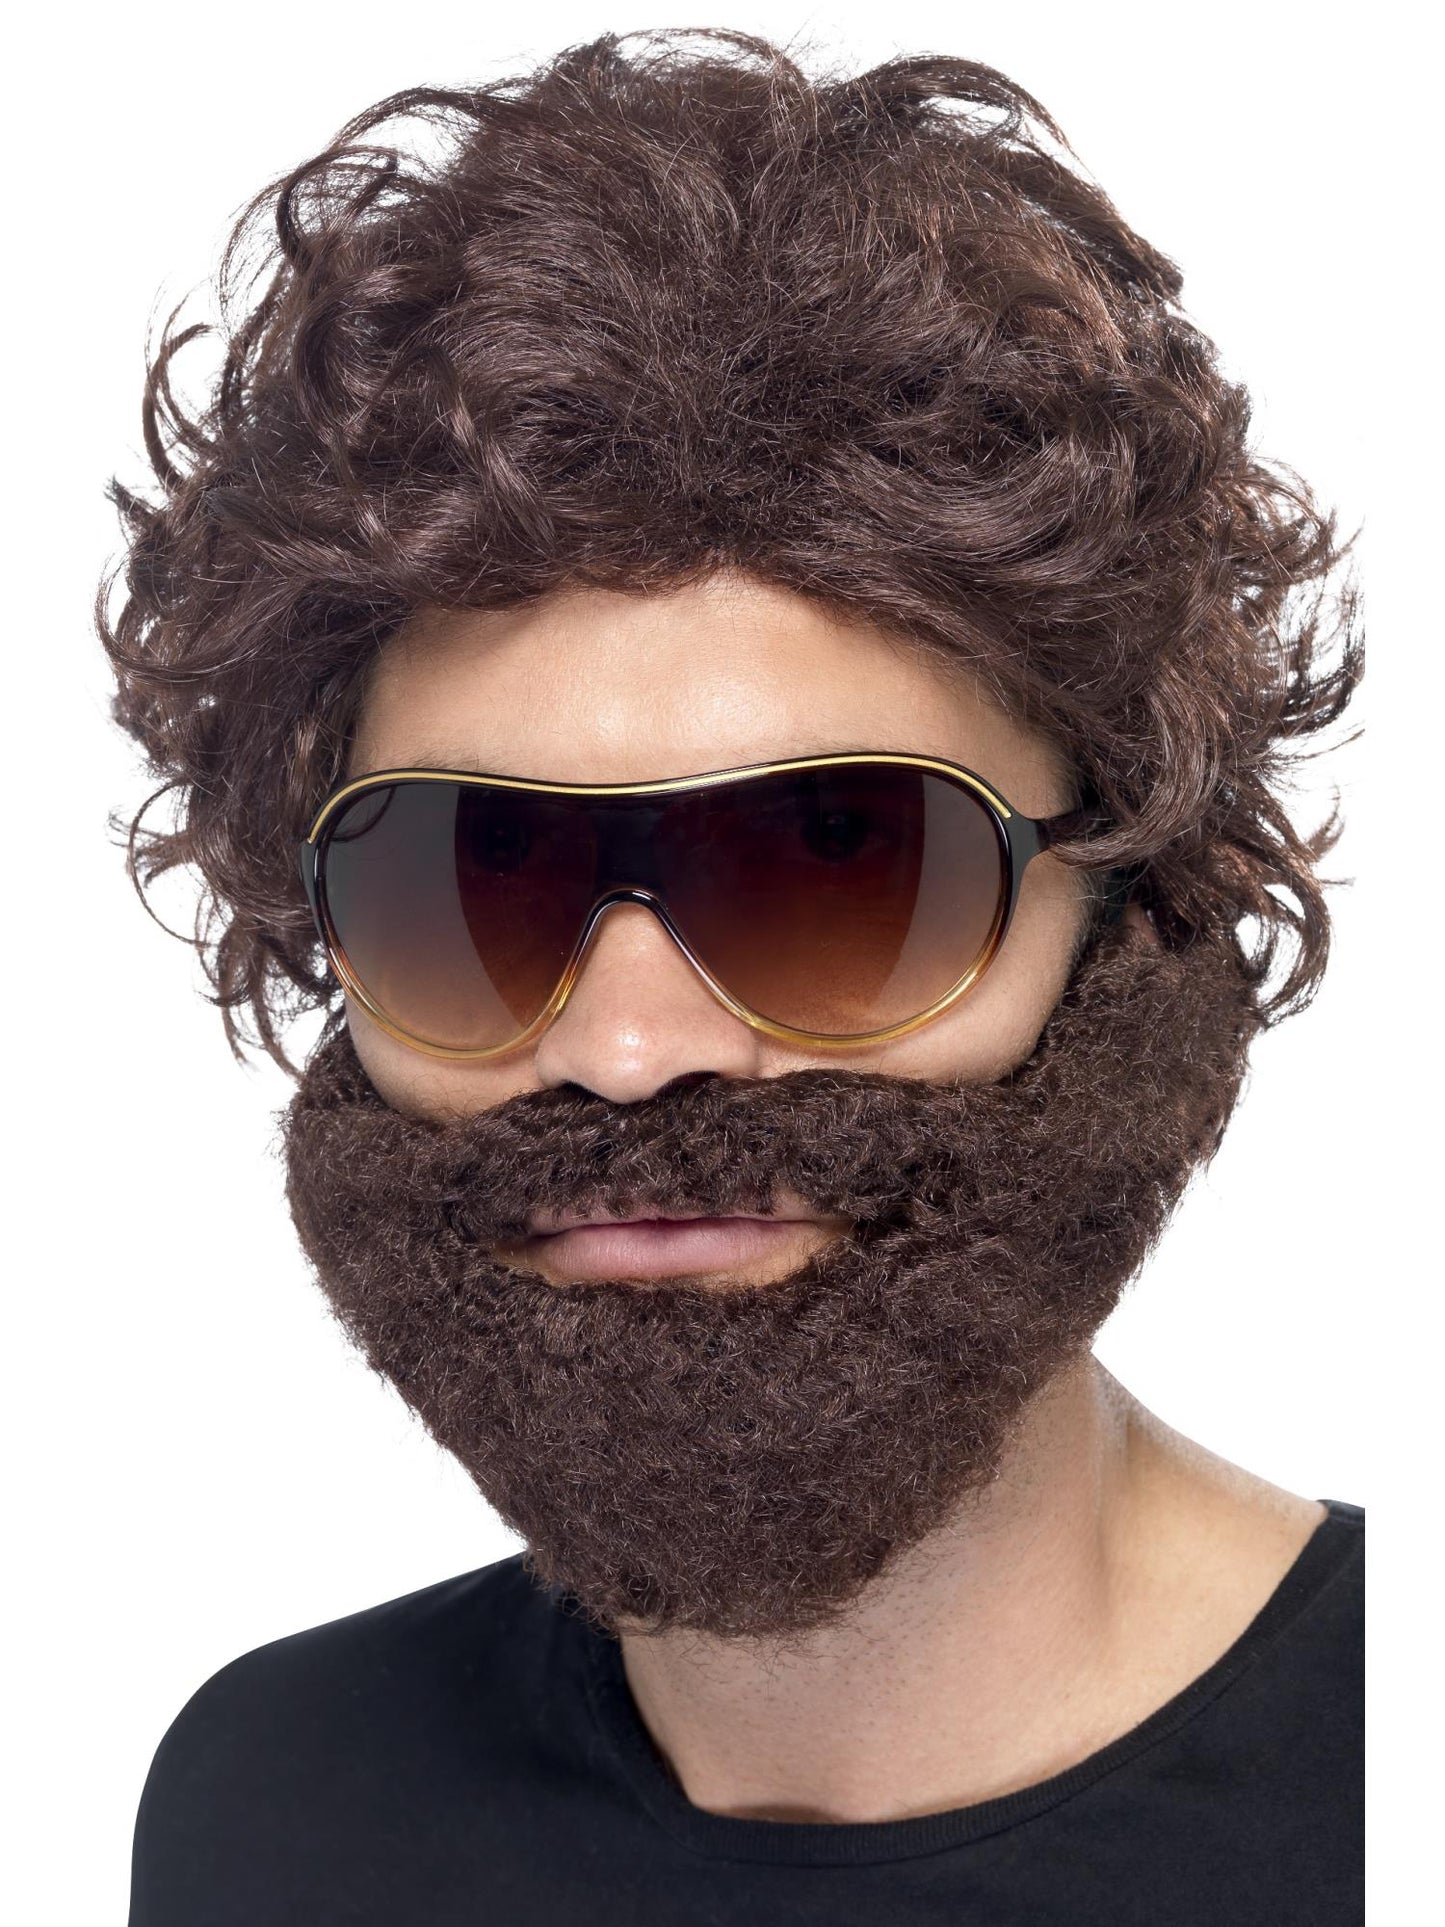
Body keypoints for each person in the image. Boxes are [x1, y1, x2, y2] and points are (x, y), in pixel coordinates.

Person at [103, 27, 1364, 1926]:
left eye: (836, 859)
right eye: (474, 877)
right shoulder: (270, 1802)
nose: (626, 1049)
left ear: (1136, 908)